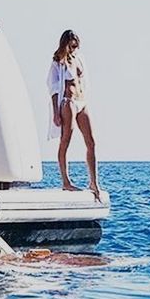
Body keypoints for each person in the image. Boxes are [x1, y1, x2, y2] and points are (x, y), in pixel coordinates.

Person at [46, 30, 101, 199]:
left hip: (81, 101)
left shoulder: (79, 59)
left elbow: (83, 81)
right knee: (65, 140)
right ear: (66, 43)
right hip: (67, 101)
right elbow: (53, 88)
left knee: (91, 142)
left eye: (76, 44)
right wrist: (56, 112)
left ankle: (94, 182)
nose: (74, 47)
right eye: (72, 44)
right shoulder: (58, 62)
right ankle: (66, 181)